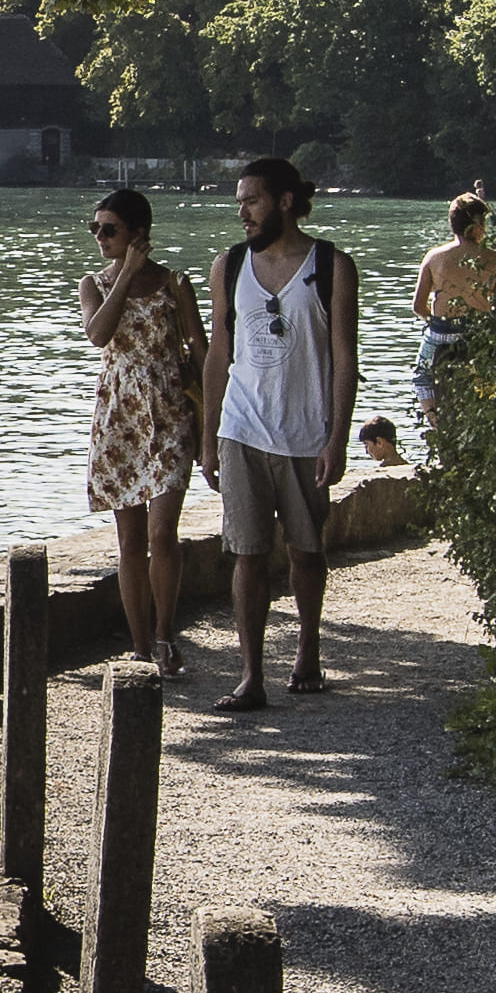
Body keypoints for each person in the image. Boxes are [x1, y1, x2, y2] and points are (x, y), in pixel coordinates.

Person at [192, 155, 357, 713]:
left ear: (285, 201)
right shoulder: (229, 265)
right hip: (242, 427)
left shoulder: (332, 265)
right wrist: (209, 435)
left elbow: (344, 356)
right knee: (247, 553)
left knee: (306, 552)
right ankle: (250, 674)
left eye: (252, 200)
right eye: (239, 202)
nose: (242, 212)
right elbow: (219, 352)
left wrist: (336, 438)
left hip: (306, 431)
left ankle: (308, 650)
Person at [77, 185, 201, 671]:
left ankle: (167, 637)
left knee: (163, 532)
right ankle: (141, 645)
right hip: (119, 420)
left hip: (169, 413)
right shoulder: (95, 284)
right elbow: (98, 335)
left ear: (139, 233)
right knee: (129, 542)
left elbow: (201, 349)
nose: (100, 237)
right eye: (96, 229)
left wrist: (208, 430)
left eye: (110, 230)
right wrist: (125, 274)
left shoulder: (175, 284)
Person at [411, 188, 496, 453]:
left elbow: (418, 306)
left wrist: (434, 317)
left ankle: (436, 424)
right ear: (478, 226)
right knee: (493, 379)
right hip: (478, 334)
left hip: (440, 334)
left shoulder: (434, 257)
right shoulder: (495, 259)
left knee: (421, 377)